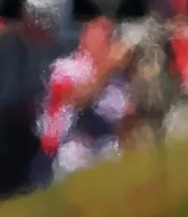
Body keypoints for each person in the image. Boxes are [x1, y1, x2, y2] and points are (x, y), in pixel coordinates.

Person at [40, 19, 136, 175]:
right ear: (84, 40)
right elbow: (77, 100)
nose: (108, 44)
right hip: (72, 145)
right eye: (102, 38)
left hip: (107, 144)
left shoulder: (118, 78)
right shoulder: (66, 68)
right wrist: (107, 68)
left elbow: (128, 116)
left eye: (110, 38)